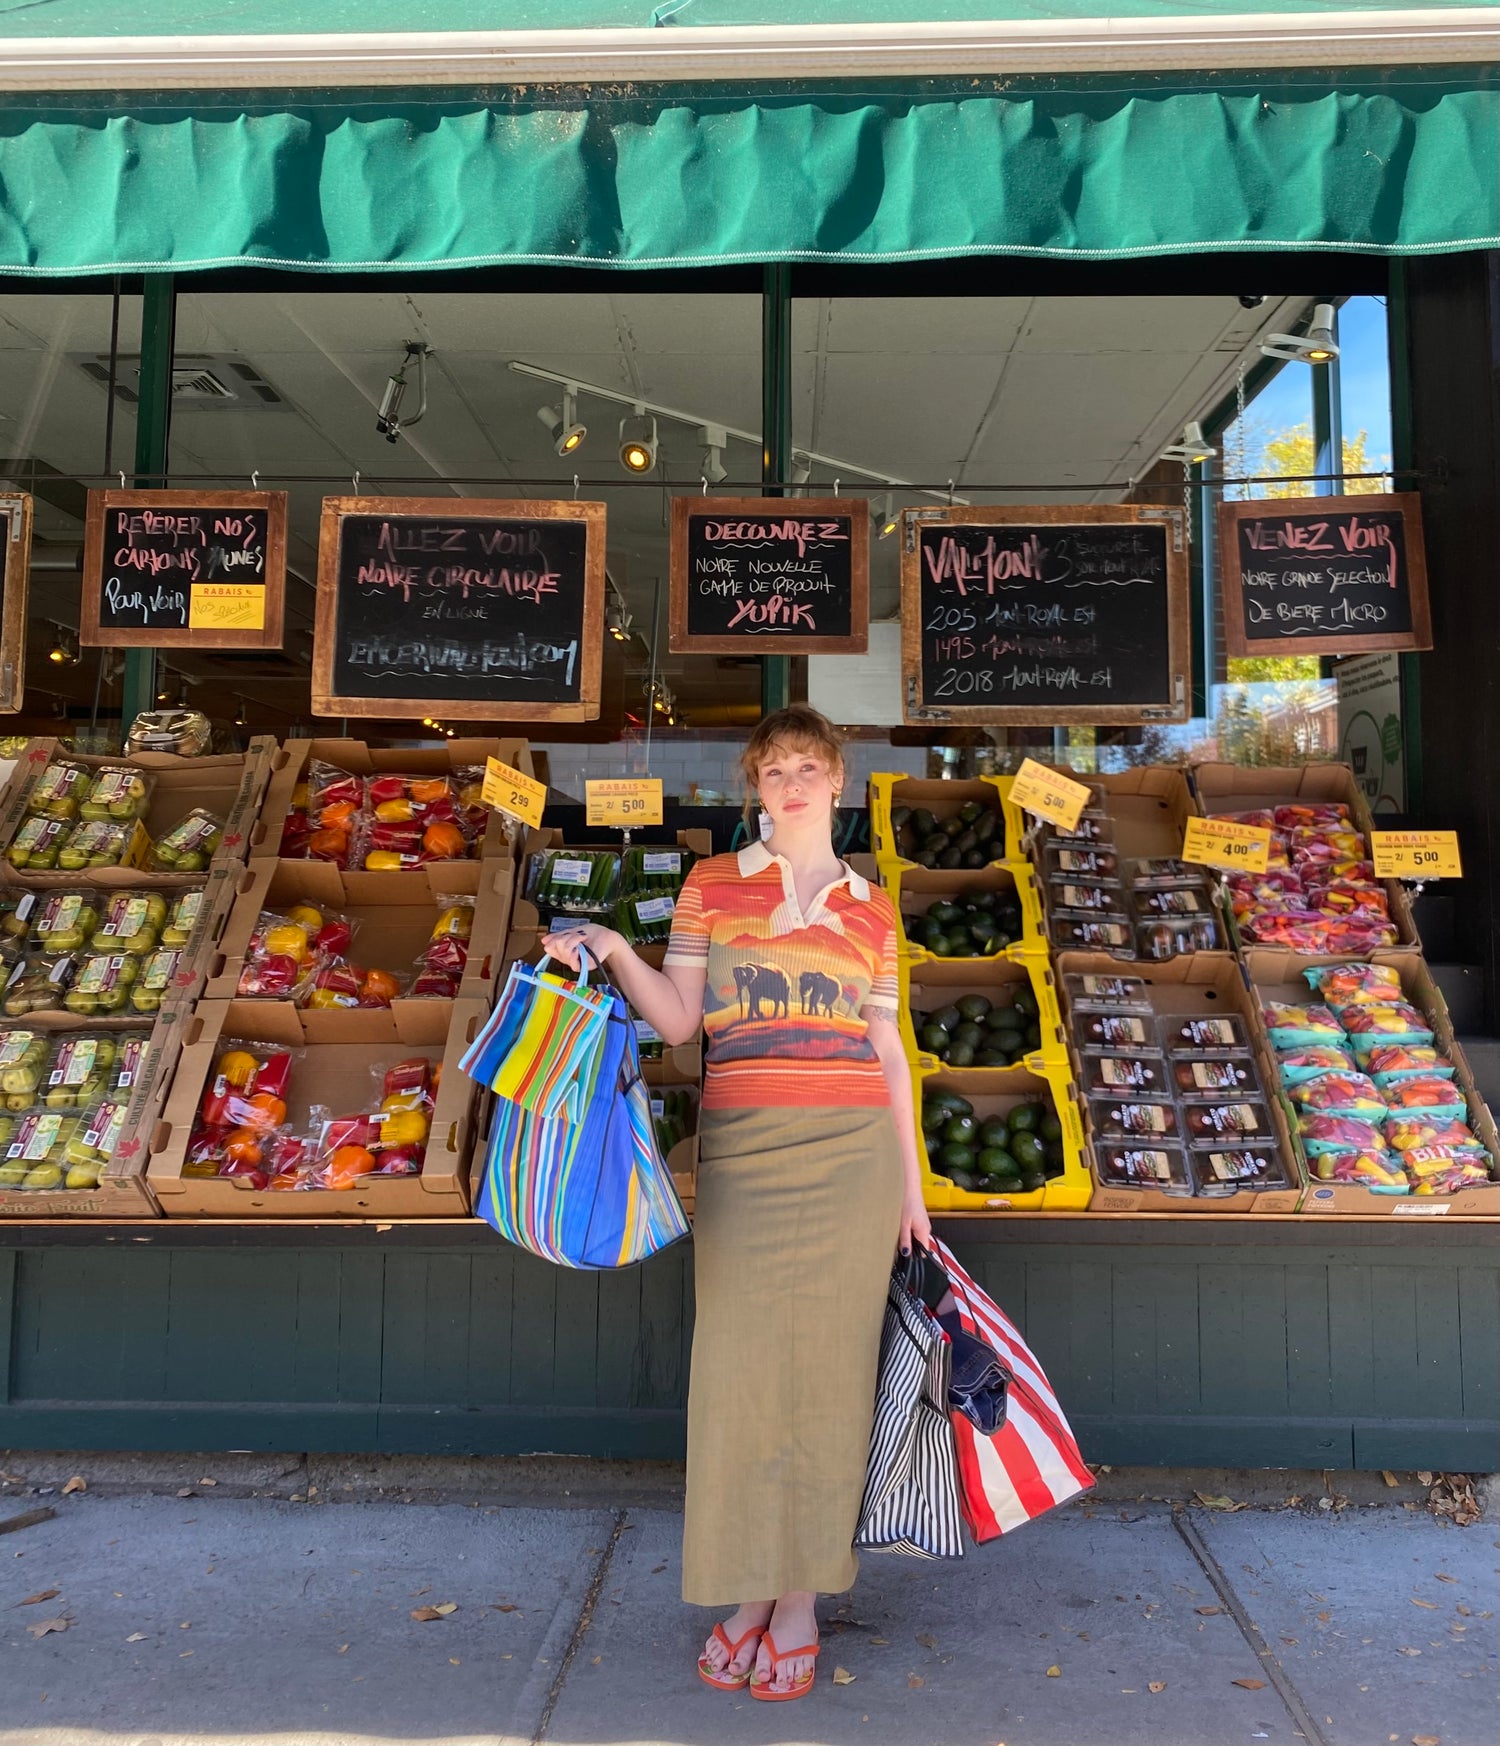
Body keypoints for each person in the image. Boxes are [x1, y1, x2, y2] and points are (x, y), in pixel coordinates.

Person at [540, 705, 931, 1702]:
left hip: (852, 1162)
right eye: (773, 770)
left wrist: (913, 1191)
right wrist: (615, 949)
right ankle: (749, 1583)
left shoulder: (875, 908)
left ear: (838, 780)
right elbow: (679, 1028)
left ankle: (798, 1597)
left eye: (808, 767)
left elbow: (889, 1054)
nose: (792, 784)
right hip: (747, 1158)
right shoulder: (714, 885)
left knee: (831, 1379)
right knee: (740, 1378)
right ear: (753, 787)